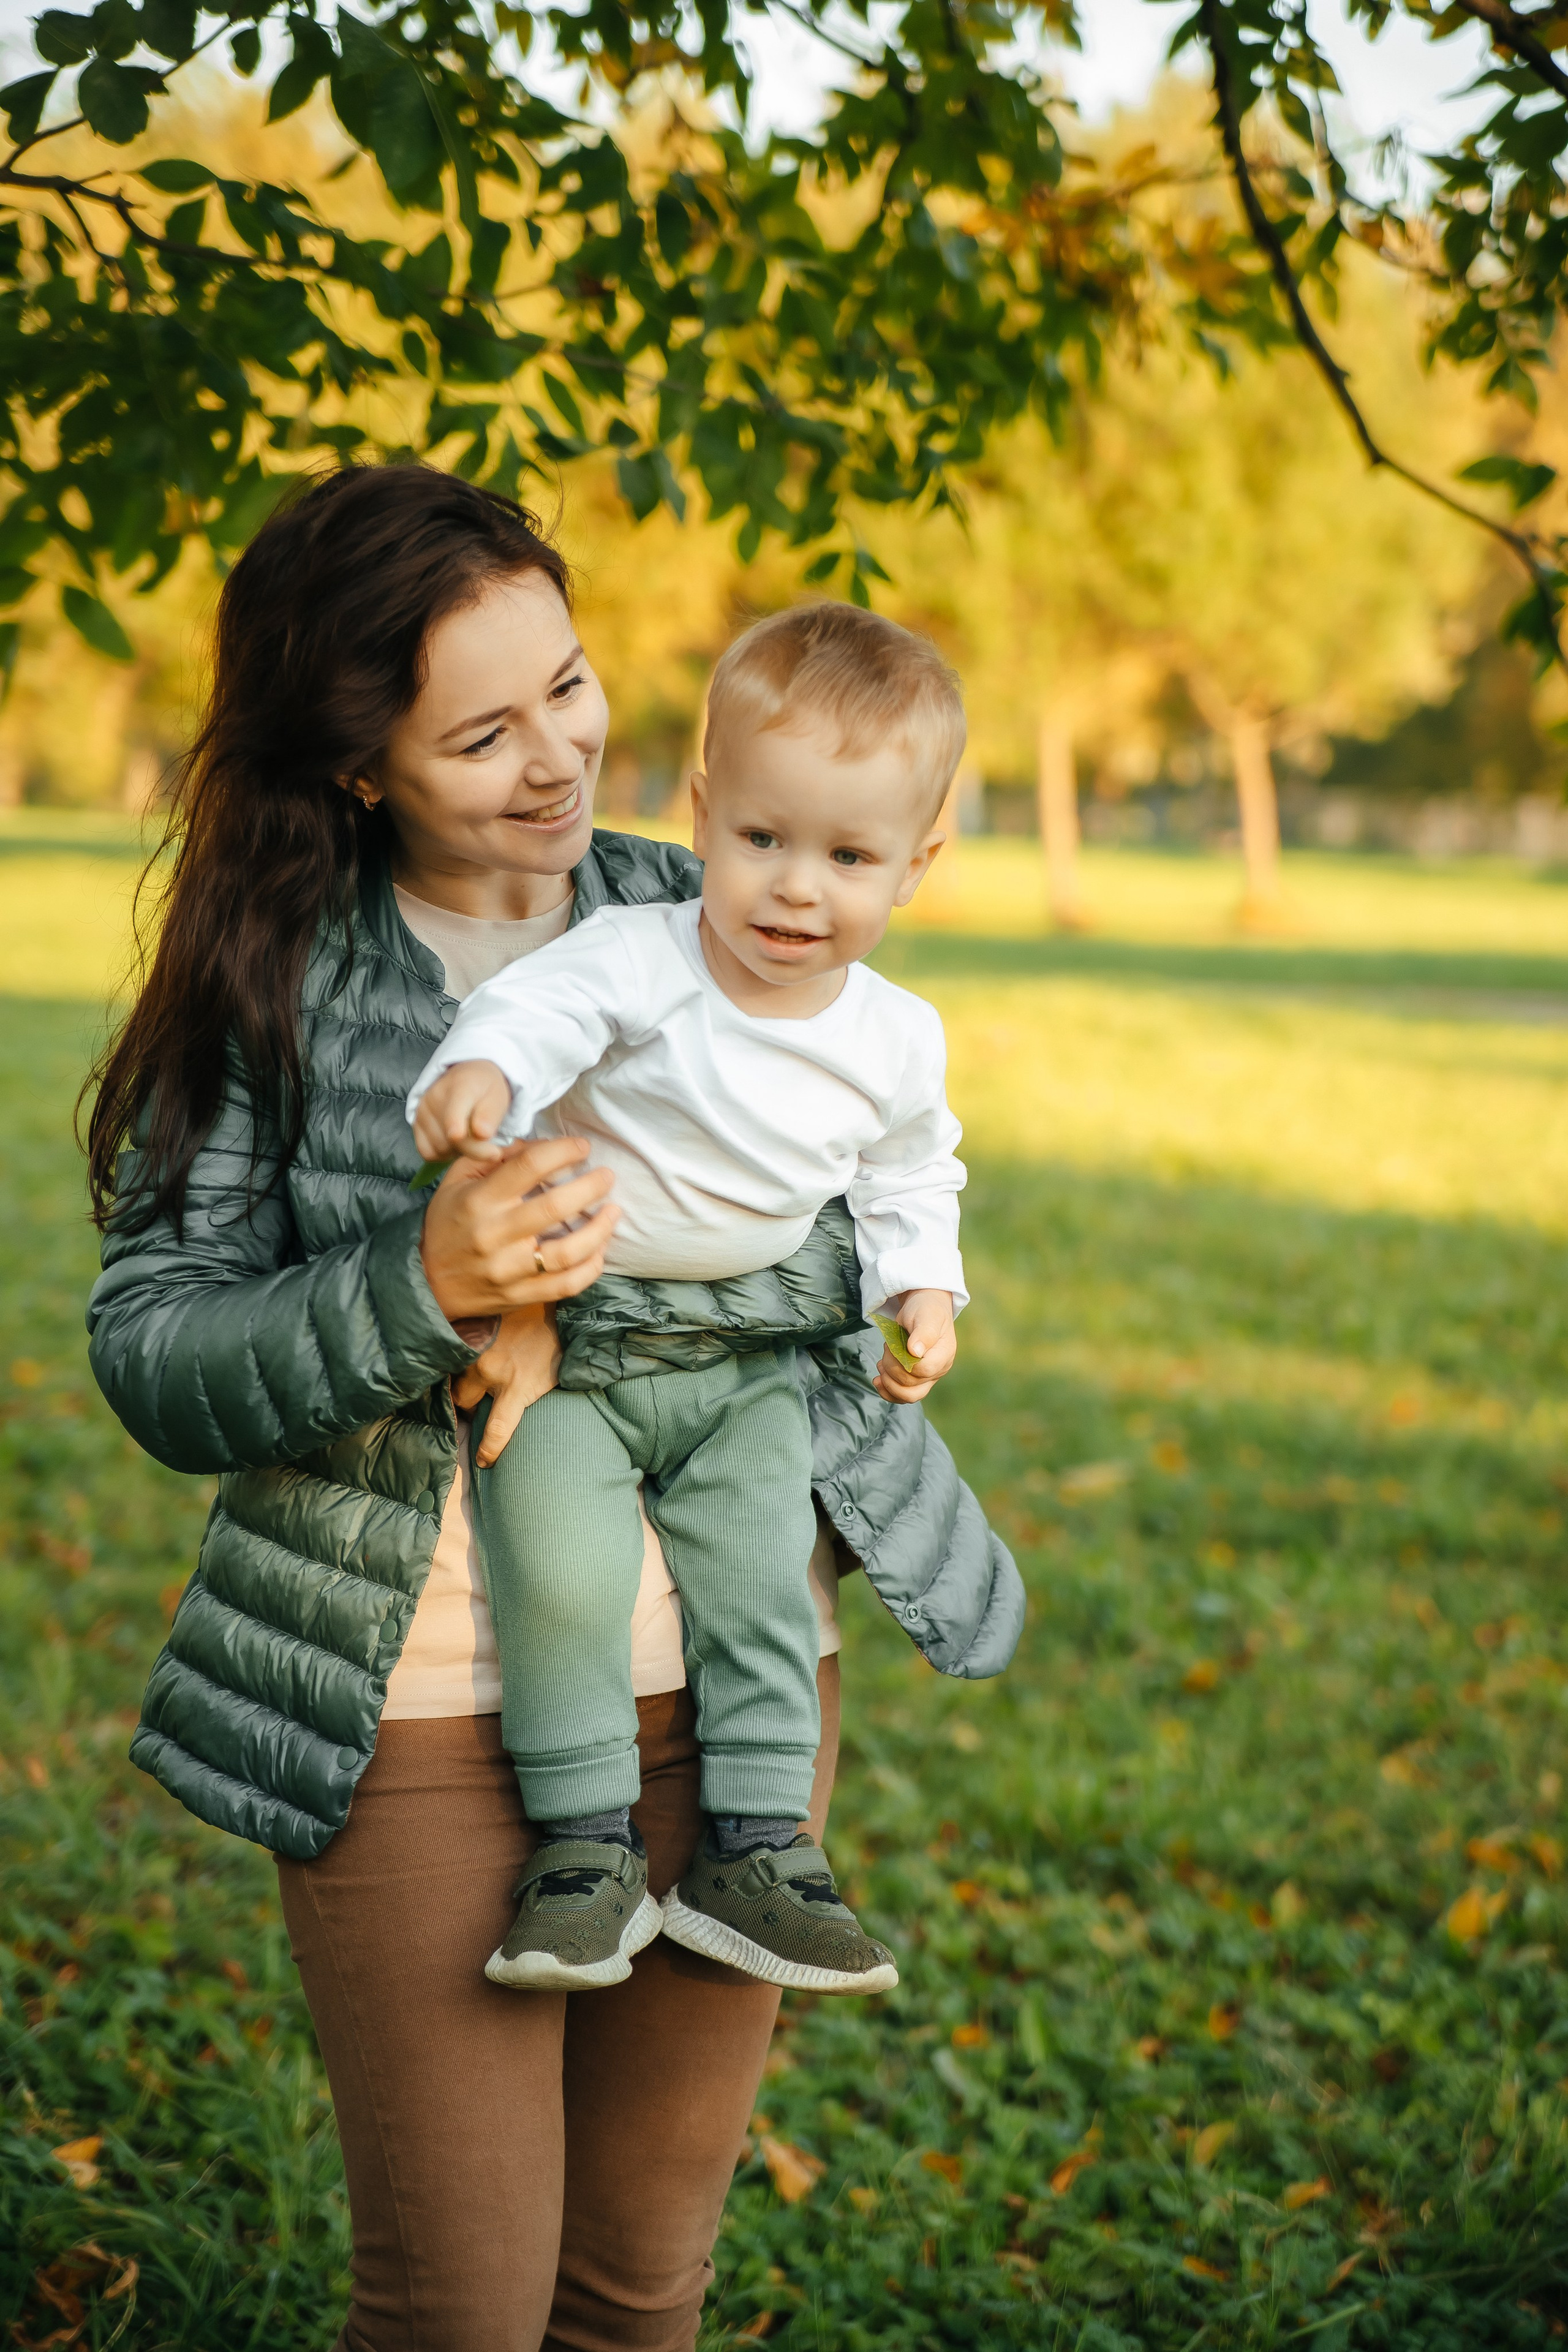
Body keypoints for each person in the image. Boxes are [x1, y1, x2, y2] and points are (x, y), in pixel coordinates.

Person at [83, 461, 1023, 2352]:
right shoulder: (265, 985)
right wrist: (425, 1289)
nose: (558, 762)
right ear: (359, 764)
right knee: (461, 2308)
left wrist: (580, 1303)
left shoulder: (725, 904)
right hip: (412, 1701)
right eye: (482, 732)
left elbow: (861, 1233)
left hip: (729, 1692)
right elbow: (159, 1353)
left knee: (633, 2291)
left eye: (573, 687)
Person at [409, 605, 970, 2000]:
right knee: (563, 1578)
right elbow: (538, 1017)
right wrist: (480, 1070)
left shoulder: (893, 1035)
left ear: (918, 861)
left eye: (847, 858)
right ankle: (584, 1850)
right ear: (705, 812)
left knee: (759, 1584)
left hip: (743, 1366)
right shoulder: (644, 956)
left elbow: (914, 1171)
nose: (794, 890)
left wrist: (925, 1286)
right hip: (578, 1352)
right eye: (763, 839)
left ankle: (760, 1851)